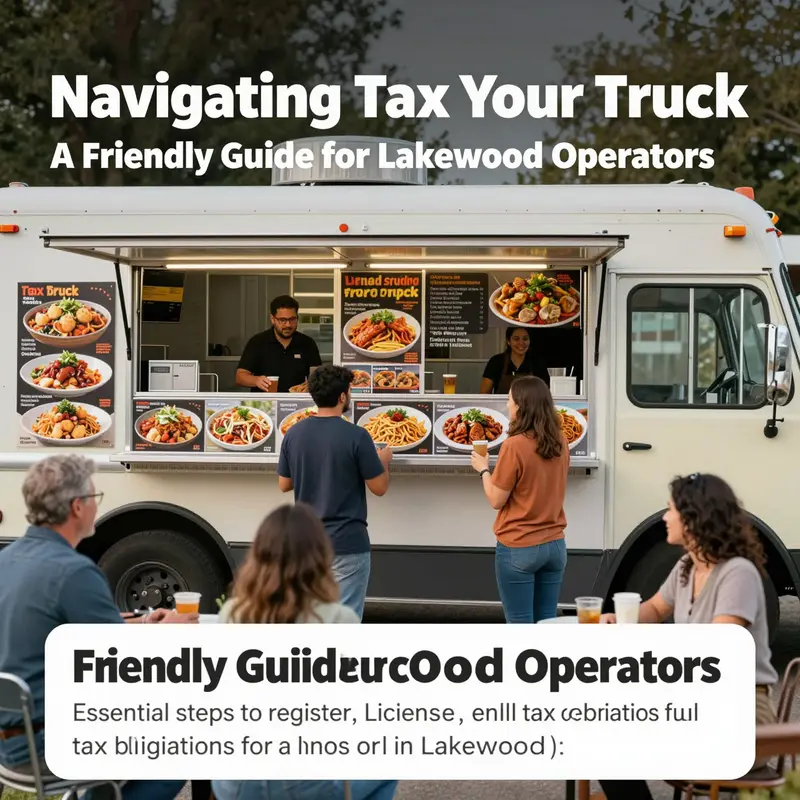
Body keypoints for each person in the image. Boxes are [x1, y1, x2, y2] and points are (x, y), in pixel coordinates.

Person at [0, 455, 193, 800]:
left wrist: (142, 621)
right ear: (77, 507)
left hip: (11, 744)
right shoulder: (74, 572)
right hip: (52, 746)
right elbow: (125, 667)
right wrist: (169, 632)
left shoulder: (7, 560)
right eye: (93, 497)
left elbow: (48, 628)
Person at [598, 473, 780, 800]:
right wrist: (618, 619)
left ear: (695, 516)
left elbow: (717, 650)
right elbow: (654, 608)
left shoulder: (737, 572)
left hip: (742, 712)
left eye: (671, 509)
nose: (665, 517)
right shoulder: (687, 567)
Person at [278, 365, 392, 619]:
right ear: (342, 397)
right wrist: (383, 460)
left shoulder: (294, 434)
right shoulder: (357, 436)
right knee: (344, 622)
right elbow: (379, 487)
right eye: (349, 391)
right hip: (348, 544)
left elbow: (284, 484)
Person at [471, 376, 570, 623]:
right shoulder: (562, 440)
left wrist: (483, 469)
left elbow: (496, 499)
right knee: (547, 622)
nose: (508, 406)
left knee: (519, 625)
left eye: (510, 400)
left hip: (519, 546)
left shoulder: (514, 445)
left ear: (522, 406)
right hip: (555, 546)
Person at [236, 294, 322, 393]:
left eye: (292, 319)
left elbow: (317, 376)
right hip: (264, 404)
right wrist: (256, 380)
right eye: (282, 320)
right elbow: (240, 376)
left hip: (297, 404)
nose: (288, 325)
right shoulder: (257, 342)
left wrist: (311, 385)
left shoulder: (307, 343)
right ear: (273, 319)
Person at [480, 326, 550, 394]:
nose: (521, 343)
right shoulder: (496, 361)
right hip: (501, 406)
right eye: (516, 339)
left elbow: (545, 393)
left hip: (530, 406)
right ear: (508, 341)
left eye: (525, 339)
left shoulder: (537, 363)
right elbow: (484, 393)